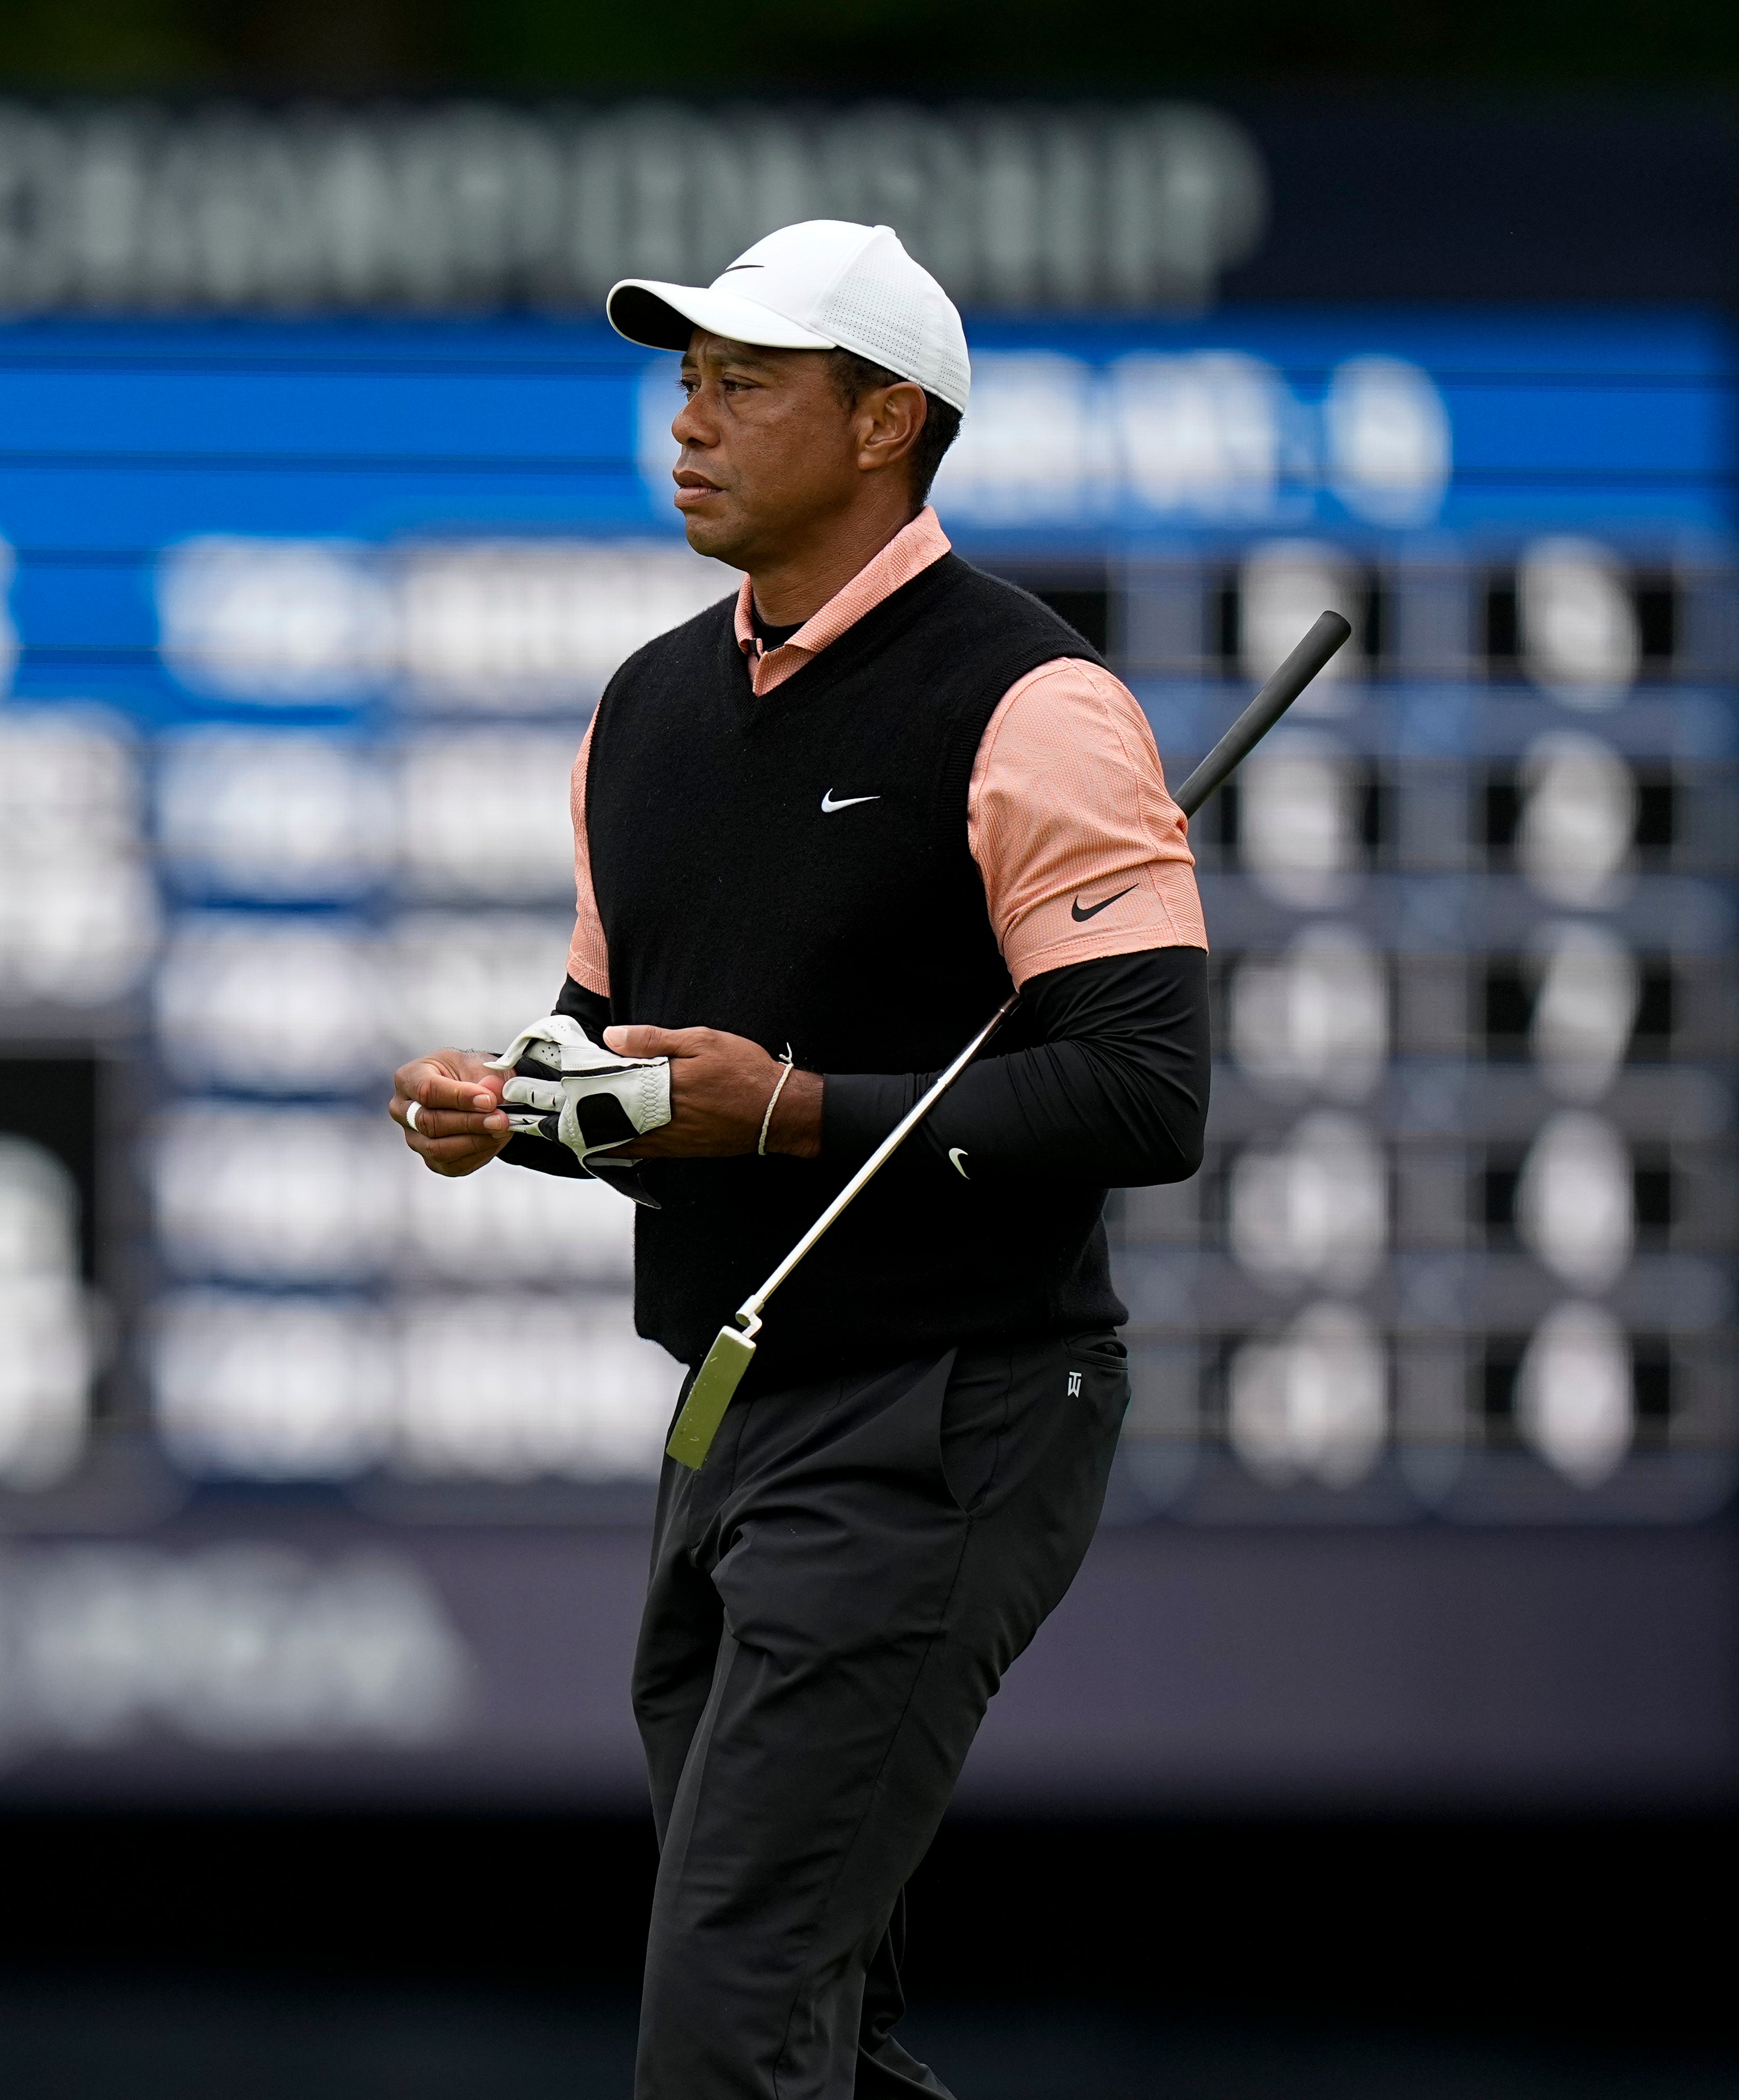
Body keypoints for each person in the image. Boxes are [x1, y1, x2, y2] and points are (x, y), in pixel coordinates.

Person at [389, 220, 1211, 2098]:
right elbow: (615, 1070)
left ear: (883, 424)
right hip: (734, 1412)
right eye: (685, 380)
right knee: (814, 2024)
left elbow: (1146, 1096)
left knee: (731, 2004)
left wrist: (788, 1108)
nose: (688, 422)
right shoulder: (648, 707)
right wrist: (506, 1114)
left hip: (952, 1408)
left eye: (743, 384)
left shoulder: (1033, 702)